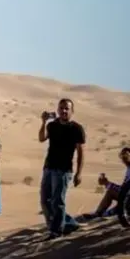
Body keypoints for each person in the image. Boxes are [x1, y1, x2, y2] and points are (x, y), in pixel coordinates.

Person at [38, 98, 85, 238]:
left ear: (72, 111)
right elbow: (42, 138)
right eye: (62, 108)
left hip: (63, 170)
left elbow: (81, 152)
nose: (64, 111)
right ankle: (69, 224)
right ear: (57, 110)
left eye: (67, 108)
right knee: (45, 200)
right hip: (49, 167)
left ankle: (56, 231)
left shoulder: (76, 128)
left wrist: (79, 173)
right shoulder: (52, 125)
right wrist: (43, 122)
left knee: (58, 201)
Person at [86, 147, 130, 219]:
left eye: (126, 155)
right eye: (123, 156)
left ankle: (98, 213)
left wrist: (106, 183)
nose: (125, 158)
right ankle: (104, 213)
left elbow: (123, 191)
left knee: (110, 192)